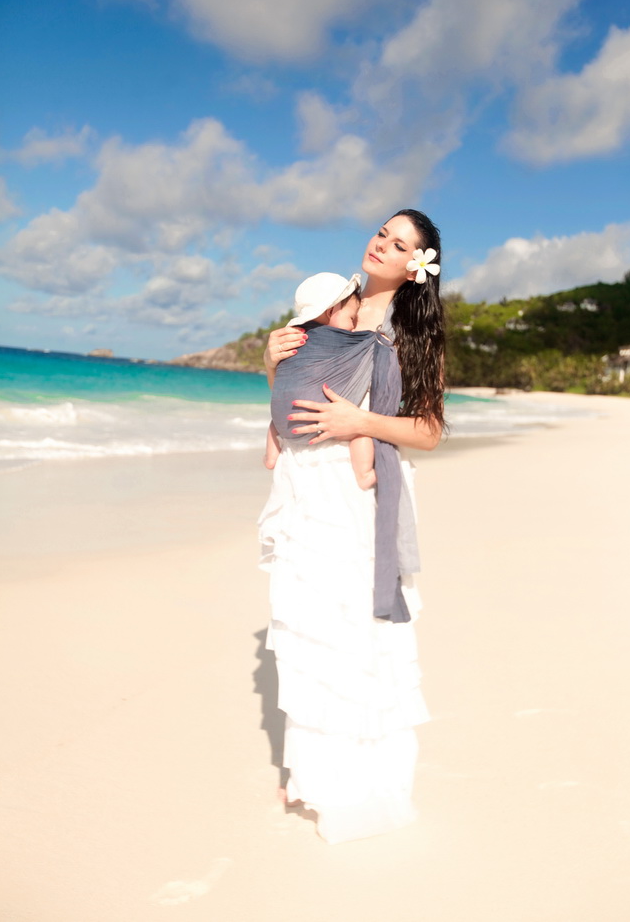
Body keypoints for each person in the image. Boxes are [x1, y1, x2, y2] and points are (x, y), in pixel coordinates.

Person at [258, 209, 446, 844]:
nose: (381, 245)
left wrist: (358, 423)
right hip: (305, 492)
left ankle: (358, 783)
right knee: (310, 634)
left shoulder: (408, 330)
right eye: (382, 232)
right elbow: (288, 403)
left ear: (414, 267)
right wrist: (270, 363)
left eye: (399, 244)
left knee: (355, 640)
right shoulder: (328, 305)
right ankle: (314, 772)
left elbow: (428, 431)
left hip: (358, 502)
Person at [264, 271, 377, 490]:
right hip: (316, 423)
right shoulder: (341, 342)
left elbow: (284, 383)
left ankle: (270, 456)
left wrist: (270, 364)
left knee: (275, 419)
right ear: (332, 310)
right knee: (361, 431)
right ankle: (363, 473)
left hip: (284, 422)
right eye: (352, 319)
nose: (354, 327)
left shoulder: (293, 338)